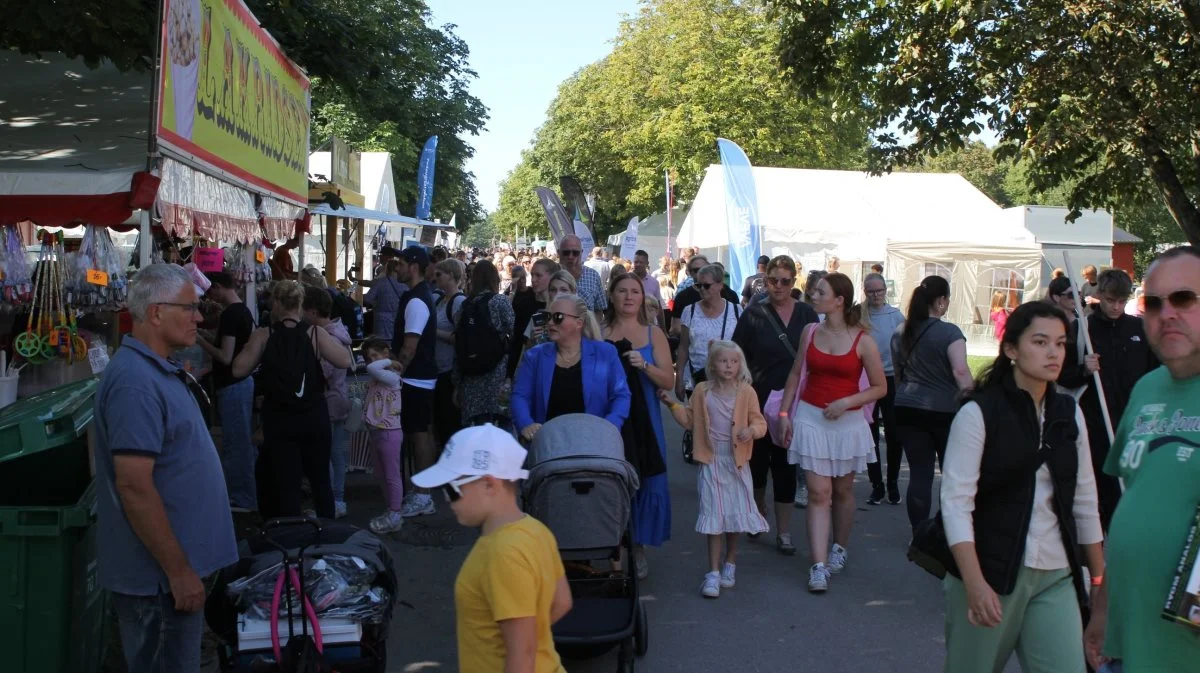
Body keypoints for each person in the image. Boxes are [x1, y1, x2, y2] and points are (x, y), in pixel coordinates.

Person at [940, 300, 1105, 673]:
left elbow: (1085, 499)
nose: (1053, 353)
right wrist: (974, 582)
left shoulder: (1069, 412)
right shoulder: (978, 413)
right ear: (1011, 349)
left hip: (1056, 575)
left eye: (1061, 344)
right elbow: (956, 503)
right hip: (989, 572)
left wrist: (1098, 580)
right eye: (1041, 342)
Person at [93, 263, 238, 673]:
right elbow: (134, 486)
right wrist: (178, 571)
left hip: (169, 576)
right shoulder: (135, 382)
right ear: (155, 313)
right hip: (158, 581)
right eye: (190, 308)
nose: (199, 318)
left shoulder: (153, 370)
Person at [1084, 246, 1200, 673]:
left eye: (1184, 299)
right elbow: (1132, 510)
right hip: (1126, 649)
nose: (1167, 313)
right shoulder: (1147, 389)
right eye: (1154, 303)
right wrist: (1100, 611)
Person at [411, 425, 572, 673]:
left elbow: (522, 654)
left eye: (451, 489)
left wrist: (521, 640)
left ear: (489, 484)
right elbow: (561, 602)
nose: (445, 498)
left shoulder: (502, 553)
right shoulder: (536, 530)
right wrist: (525, 634)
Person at [778, 273, 887, 593]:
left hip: (847, 423)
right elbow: (797, 372)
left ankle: (839, 546)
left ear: (839, 300)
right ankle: (818, 565)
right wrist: (784, 413)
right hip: (811, 417)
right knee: (818, 493)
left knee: (842, 492)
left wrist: (848, 402)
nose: (813, 294)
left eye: (820, 291)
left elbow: (880, 387)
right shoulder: (810, 332)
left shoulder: (863, 339)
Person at [232, 281, 352, 519]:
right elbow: (345, 361)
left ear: (275, 303)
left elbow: (238, 370)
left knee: (286, 483)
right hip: (314, 417)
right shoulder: (316, 334)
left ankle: (289, 540)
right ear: (299, 304)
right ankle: (325, 538)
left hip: (279, 419)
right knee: (320, 482)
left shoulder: (264, 335)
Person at [662, 340, 769, 598]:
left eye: (734, 361)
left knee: (733, 516)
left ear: (740, 365)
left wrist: (751, 430)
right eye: (723, 361)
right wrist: (672, 404)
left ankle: (729, 562)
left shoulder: (746, 392)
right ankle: (713, 571)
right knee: (713, 516)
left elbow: (760, 422)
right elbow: (690, 421)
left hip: (737, 462)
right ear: (712, 364)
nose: (729, 366)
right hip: (710, 461)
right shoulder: (702, 391)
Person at [1057, 268, 1158, 531]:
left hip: (1133, 423)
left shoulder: (1139, 328)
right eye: (1111, 300)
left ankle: (1124, 533)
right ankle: (1094, 545)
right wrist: (1083, 370)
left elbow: (1155, 373)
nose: (1116, 306)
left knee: (1129, 485)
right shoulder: (1083, 329)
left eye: (1122, 301)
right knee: (1095, 487)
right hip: (1094, 424)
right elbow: (1061, 377)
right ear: (1100, 295)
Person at [731, 255, 818, 555]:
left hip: (793, 402)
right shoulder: (754, 314)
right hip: (758, 399)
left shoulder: (807, 313)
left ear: (794, 282)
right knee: (757, 464)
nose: (778, 286)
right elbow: (737, 356)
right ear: (764, 280)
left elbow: (815, 355)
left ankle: (783, 532)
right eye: (772, 280)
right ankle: (757, 512)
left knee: (785, 466)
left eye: (785, 281)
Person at [603, 273, 675, 578]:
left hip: (647, 417)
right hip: (611, 419)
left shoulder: (653, 333)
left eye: (635, 291)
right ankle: (615, 545)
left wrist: (643, 365)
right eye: (623, 291)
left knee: (648, 480)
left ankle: (639, 546)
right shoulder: (600, 331)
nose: (629, 297)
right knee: (613, 481)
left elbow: (668, 380)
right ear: (612, 296)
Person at [890, 275, 975, 530]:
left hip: (907, 407)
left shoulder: (900, 331)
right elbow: (960, 371)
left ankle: (918, 533)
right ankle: (946, 531)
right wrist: (974, 402)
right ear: (941, 301)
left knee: (920, 473)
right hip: (943, 410)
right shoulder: (950, 333)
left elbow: (897, 373)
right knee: (951, 474)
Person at [512, 294, 631, 442]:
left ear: (579, 323)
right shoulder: (534, 357)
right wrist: (526, 424)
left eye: (558, 317)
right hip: (548, 446)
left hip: (595, 443)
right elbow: (520, 395)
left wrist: (610, 426)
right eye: (548, 317)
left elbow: (621, 395)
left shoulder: (606, 353)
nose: (550, 323)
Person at [198, 271, 257, 512]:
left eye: (211, 291)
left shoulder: (231, 314)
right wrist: (206, 334)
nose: (210, 297)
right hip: (239, 384)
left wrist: (199, 341)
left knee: (237, 443)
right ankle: (243, 494)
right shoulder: (242, 310)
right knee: (239, 441)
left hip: (233, 385)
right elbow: (227, 344)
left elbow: (225, 355)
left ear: (220, 287)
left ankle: (242, 498)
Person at [390, 246, 441, 517]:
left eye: (399, 263)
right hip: (417, 377)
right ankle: (422, 490)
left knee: (420, 434)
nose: (395, 267)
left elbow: (410, 347)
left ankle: (423, 495)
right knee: (419, 433)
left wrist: (394, 373)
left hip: (417, 379)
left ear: (413, 267)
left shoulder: (417, 301)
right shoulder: (415, 297)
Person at [302, 287, 354, 519]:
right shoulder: (338, 331)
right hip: (339, 399)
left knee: (327, 454)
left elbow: (325, 371)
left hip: (330, 401)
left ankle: (332, 500)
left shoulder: (328, 336)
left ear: (312, 312)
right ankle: (337, 498)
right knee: (336, 454)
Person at [455, 260, 516, 425]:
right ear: (494, 278)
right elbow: (514, 331)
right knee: (497, 427)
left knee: (474, 430)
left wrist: (457, 383)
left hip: (470, 377)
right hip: (496, 374)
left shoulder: (465, 305)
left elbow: (458, 342)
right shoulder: (499, 302)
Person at [863, 272, 906, 506]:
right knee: (869, 435)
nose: (876, 295)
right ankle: (876, 485)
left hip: (891, 379)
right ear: (865, 292)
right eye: (871, 291)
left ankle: (893, 483)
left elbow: (906, 344)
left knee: (893, 433)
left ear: (885, 291)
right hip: (866, 379)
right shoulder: (859, 314)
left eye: (879, 290)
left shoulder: (896, 315)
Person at [359, 339, 407, 534]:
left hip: (389, 432)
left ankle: (395, 512)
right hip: (375, 431)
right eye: (369, 357)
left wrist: (387, 362)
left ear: (386, 353)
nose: (371, 361)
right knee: (380, 474)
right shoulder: (378, 377)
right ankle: (390, 509)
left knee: (391, 475)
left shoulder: (392, 376)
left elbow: (373, 369)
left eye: (375, 355)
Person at [675, 265, 742, 401]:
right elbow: (683, 347)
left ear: (719, 285)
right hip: (697, 380)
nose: (701, 290)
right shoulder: (690, 311)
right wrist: (679, 378)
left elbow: (743, 347)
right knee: (699, 420)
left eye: (706, 286)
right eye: (698, 286)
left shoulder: (736, 311)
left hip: (729, 381)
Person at [433, 259, 467, 445]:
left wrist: (434, 332)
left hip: (449, 371)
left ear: (452, 276)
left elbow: (461, 338)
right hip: (438, 369)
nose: (435, 277)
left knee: (449, 425)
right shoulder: (440, 299)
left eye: (440, 274)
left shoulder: (458, 301)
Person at [510, 259, 559, 377]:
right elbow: (517, 340)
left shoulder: (562, 306)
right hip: (531, 368)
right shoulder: (524, 302)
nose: (533, 279)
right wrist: (510, 375)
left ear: (552, 276)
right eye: (532, 275)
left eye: (538, 275)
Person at [672, 257, 741, 326]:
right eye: (696, 270)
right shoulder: (683, 298)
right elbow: (676, 327)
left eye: (704, 269)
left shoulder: (730, 295)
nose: (701, 272)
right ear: (690, 273)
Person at [558, 235, 607, 312]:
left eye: (575, 253)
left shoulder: (593, 276)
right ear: (559, 253)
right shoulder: (551, 275)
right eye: (566, 252)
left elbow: (600, 309)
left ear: (581, 253)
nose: (571, 256)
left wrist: (591, 323)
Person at [364, 258, 408, 341]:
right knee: (395, 342)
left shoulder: (380, 282)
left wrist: (376, 302)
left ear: (387, 269)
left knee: (381, 344)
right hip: (399, 319)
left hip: (381, 320)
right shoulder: (405, 284)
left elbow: (368, 299)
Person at [632, 250, 664, 323]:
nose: (638, 264)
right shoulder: (627, 280)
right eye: (636, 262)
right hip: (631, 324)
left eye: (641, 262)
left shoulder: (654, 283)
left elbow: (658, 307)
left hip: (649, 325)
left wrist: (663, 330)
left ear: (647, 264)